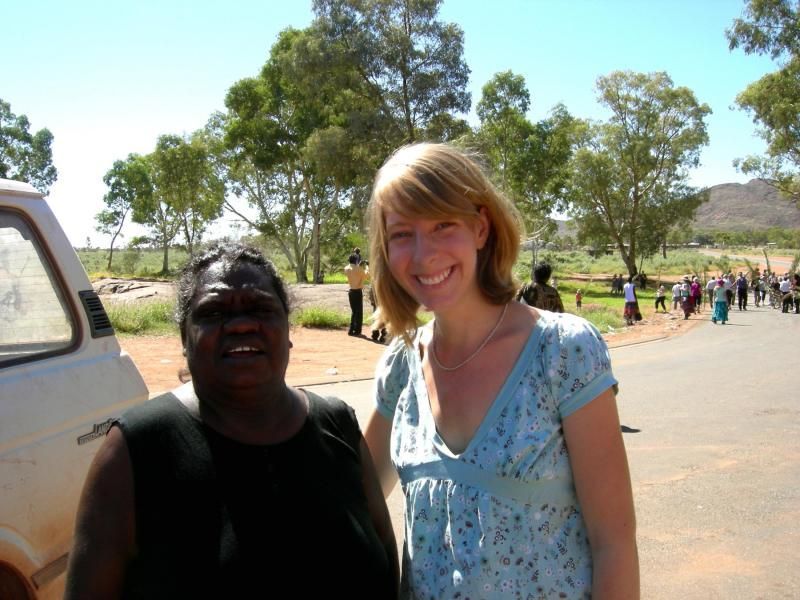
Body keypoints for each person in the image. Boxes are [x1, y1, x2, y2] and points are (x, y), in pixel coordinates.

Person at [363, 142, 639, 598]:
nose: (423, 253)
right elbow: (348, 500)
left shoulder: (562, 352)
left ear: (481, 227)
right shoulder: (401, 365)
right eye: (401, 234)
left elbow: (614, 543)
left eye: (442, 225)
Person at [65, 244, 399, 599]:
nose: (241, 324)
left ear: (287, 331)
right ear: (184, 338)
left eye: (261, 308)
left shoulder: (337, 424)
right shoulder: (136, 449)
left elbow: (388, 566)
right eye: (213, 312)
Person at [345, 252, 369, 336]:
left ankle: (351, 329)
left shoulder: (346, 268)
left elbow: (354, 270)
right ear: (356, 260)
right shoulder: (359, 269)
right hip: (358, 291)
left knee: (354, 311)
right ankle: (357, 330)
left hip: (351, 291)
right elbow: (367, 275)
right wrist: (367, 266)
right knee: (359, 312)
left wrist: (358, 265)